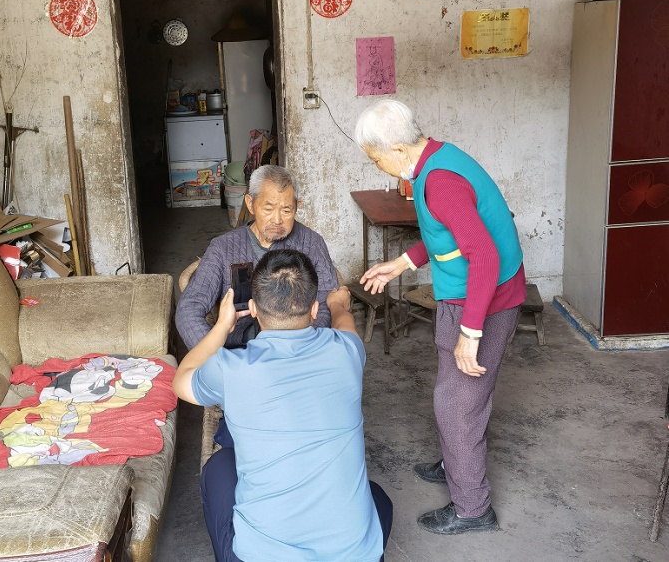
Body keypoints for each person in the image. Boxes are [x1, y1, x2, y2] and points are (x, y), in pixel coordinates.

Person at [354, 99, 526, 535]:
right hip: (479, 292)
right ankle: (457, 461)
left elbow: (482, 254)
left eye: (375, 159)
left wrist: (470, 331)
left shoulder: (440, 182)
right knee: (459, 393)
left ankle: (472, 507)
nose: (378, 167)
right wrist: (402, 264)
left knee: (456, 404)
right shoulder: (437, 158)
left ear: (394, 148)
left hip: (485, 299)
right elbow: (445, 234)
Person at [172, 250, 393, 561]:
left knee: (219, 467)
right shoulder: (348, 352)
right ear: (314, 309)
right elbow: (345, 322)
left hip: (264, 555)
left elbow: (181, 381)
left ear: (252, 309)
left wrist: (221, 327)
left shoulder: (232, 368)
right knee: (377, 499)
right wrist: (338, 304)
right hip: (355, 554)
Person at [176, 164, 338, 350]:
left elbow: (329, 300)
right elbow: (189, 308)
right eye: (268, 209)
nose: (277, 220)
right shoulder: (223, 248)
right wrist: (213, 355)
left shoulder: (312, 243)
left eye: (286, 210)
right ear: (250, 203)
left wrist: (304, 349)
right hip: (238, 352)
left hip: (298, 351)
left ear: (297, 207)